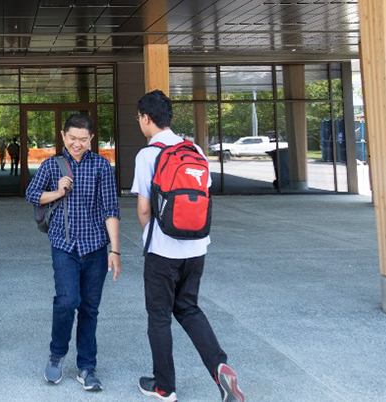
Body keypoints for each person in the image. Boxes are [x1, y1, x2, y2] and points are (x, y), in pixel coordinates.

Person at [132, 90, 244, 402]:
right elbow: (203, 198)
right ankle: (219, 365)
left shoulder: (147, 156)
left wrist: (156, 236)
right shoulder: (193, 148)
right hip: (196, 248)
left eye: (140, 118)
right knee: (189, 308)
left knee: (159, 316)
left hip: (163, 252)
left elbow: (143, 210)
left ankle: (164, 387)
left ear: (146, 118)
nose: (140, 123)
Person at [25, 114, 121, 392]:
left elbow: (110, 209)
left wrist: (115, 250)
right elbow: (32, 194)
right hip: (64, 246)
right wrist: (56, 192)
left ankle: (87, 366)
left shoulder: (102, 165)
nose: (77, 144)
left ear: (91, 139)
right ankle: (56, 354)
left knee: (90, 307)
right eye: (72, 138)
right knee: (66, 302)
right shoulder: (51, 166)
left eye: (83, 139)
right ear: (63, 136)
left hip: (95, 247)